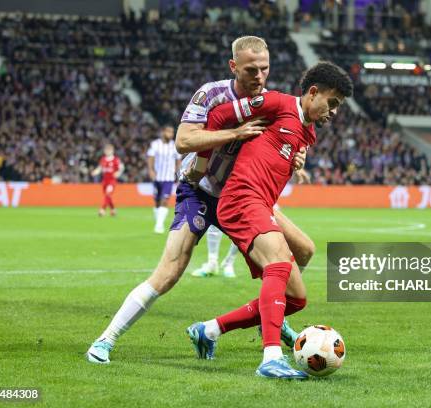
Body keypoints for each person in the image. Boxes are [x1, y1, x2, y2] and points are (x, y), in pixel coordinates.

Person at [86, 36, 314, 364]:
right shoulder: (211, 94)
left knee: (301, 250)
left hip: (243, 195)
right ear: (233, 66)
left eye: (265, 69)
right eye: (251, 70)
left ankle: (272, 314)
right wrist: (235, 133)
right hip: (200, 190)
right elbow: (184, 141)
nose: (259, 77)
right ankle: (105, 340)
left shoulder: (270, 102)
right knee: (170, 271)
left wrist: (297, 157)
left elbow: (285, 142)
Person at [187, 62, 353, 379]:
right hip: (240, 198)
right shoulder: (278, 102)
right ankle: (271, 358)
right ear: (313, 92)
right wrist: (202, 163)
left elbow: (277, 152)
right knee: (278, 261)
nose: (333, 112)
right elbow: (220, 115)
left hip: (262, 202)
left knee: (296, 297)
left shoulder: (308, 131)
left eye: (338, 107)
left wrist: (295, 161)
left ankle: (208, 330)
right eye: (331, 103)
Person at [147, 125, 182, 234]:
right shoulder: (155, 144)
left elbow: (178, 160)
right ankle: (158, 222)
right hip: (157, 177)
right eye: (168, 132)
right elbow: (150, 158)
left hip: (168, 177)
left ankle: (159, 225)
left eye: (172, 132)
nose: (170, 134)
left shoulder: (174, 146)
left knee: (164, 200)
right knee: (157, 201)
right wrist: (151, 170)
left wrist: (177, 173)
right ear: (163, 132)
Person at [91, 144, 124, 217]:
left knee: (108, 194)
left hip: (112, 181)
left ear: (112, 151)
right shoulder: (103, 159)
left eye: (109, 150)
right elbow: (100, 168)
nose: (107, 151)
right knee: (108, 196)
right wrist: (95, 172)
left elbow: (121, 167)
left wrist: (118, 173)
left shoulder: (115, 159)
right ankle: (113, 209)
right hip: (105, 181)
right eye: (106, 150)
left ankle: (102, 210)